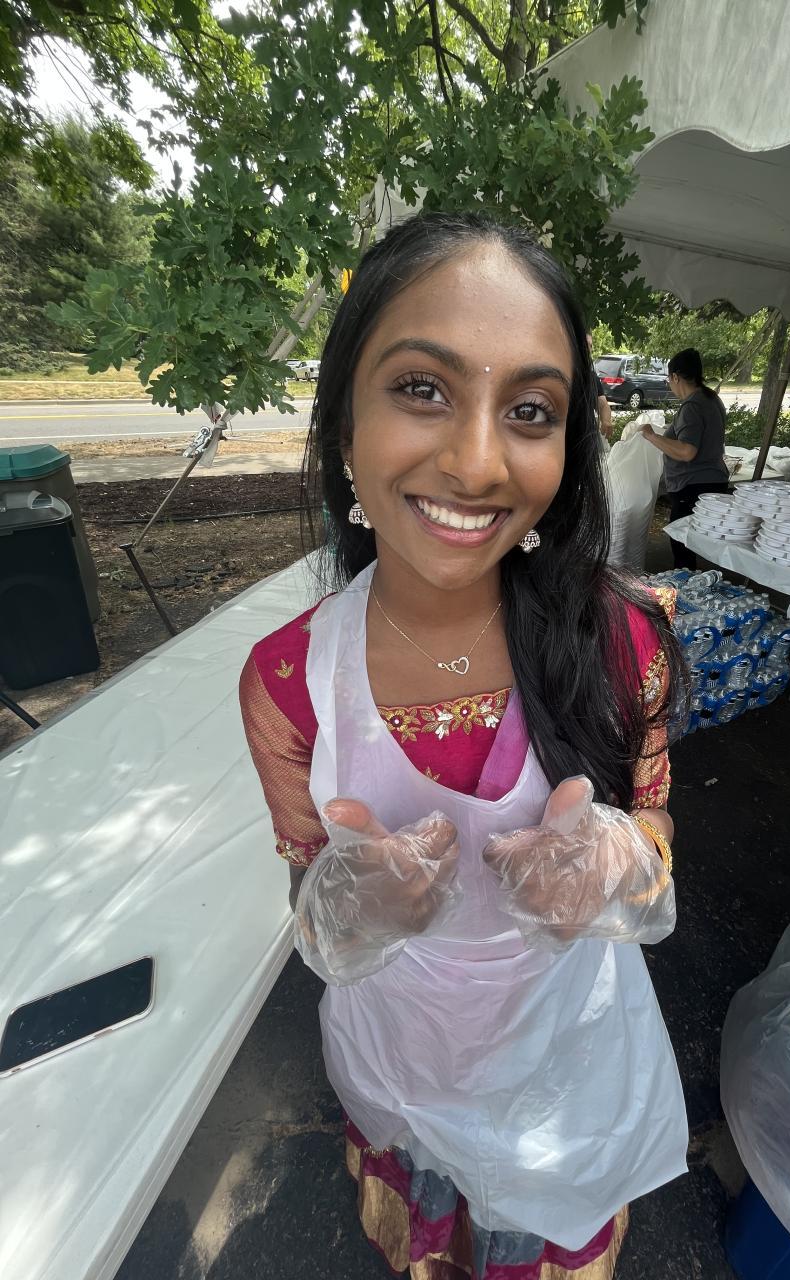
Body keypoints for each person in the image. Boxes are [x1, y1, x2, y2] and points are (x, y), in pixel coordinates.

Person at [239, 212, 689, 1280]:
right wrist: (347, 907)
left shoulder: (620, 641)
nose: (479, 462)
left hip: (566, 1069)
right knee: (431, 1212)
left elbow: (655, 820)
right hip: (402, 1062)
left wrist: (622, 863)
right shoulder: (289, 679)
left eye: (530, 411)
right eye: (422, 388)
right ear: (343, 419)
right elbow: (308, 886)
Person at [639, 347, 729, 569]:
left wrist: (652, 436)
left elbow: (687, 451)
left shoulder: (692, 406)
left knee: (683, 548)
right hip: (713, 481)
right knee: (695, 544)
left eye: (668, 380)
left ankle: (687, 587)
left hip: (692, 488)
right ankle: (700, 582)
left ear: (675, 377)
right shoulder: (711, 399)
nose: (669, 384)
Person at [587, 332, 614, 441]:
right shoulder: (559, 375)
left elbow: (602, 404)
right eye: (583, 344)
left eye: (590, 346)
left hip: (587, 439)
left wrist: (606, 421)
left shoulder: (591, 377)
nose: (587, 349)